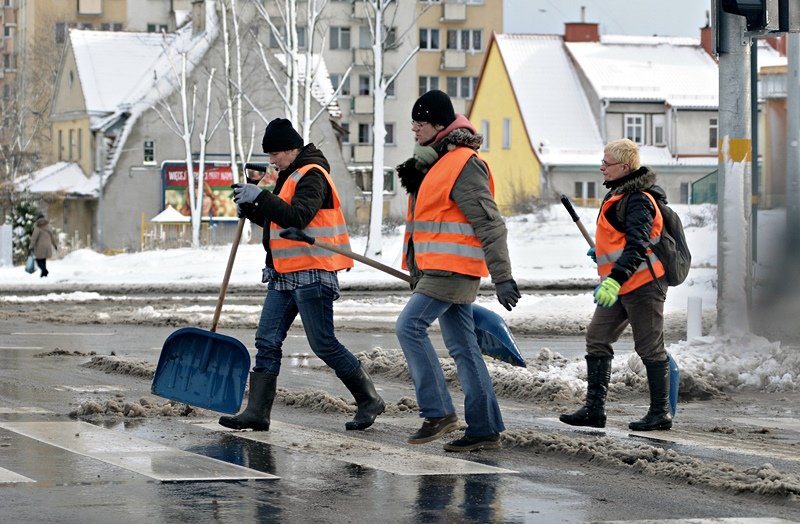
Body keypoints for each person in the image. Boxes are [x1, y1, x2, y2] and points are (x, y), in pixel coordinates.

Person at [219, 117, 385, 432]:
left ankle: (369, 399)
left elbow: (298, 217)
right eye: (269, 155)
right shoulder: (289, 175)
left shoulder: (313, 175)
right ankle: (257, 412)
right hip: (284, 274)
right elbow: (280, 221)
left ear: (292, 149)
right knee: (267, 340)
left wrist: (260, 197)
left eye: (275, 154)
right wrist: (253, 210)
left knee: (323, 343)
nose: (271, 161)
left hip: (313, 272)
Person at [394, 90, 521, 452]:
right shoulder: (435, 163)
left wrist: (502, 276)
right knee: (464, 347)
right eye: (413, 122)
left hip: (452, 270)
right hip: (437, 269)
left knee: (408, 326)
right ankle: (484, 428)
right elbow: (429, 226)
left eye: (420, 122)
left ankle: (438, 412)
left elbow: (489, 222)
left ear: (439, 124)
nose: (414, 129)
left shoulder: (463, 163)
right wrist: (417, 270)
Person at [559, 138, 672, 432]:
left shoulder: (638, 200)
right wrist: (601, 252)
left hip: (644, 284)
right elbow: (620, 241)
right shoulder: (618, 196)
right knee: (597, 337)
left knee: (649, 348)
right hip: (620, 284)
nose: (601, 168)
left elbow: (637, 246)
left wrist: (613, 280)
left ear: (624, 167)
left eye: (606, 163)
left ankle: (660, 413)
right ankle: (594, 410)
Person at [30, 212, 58, 278]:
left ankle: (45, 270)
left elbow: (34, 238)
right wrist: (54, 245)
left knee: (38, 260)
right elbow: (52, 236)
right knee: (43, 260)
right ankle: (43, 274)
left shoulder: (37, 227)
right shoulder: (48, 226)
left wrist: (31, 246)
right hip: (47, 246)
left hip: (39, 247)